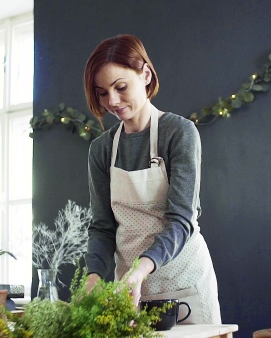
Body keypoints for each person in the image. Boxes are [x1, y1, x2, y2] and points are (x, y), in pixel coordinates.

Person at [82, 34, 221, 325]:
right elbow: (102, 226)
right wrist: (93, 276)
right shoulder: (101, 150)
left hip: (185, 284)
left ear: (145, 74)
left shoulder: (179, 133)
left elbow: (181, 219)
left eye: (121, 87)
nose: (113, 101)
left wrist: (140, 269)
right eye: (102, 93)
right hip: (131, 292)